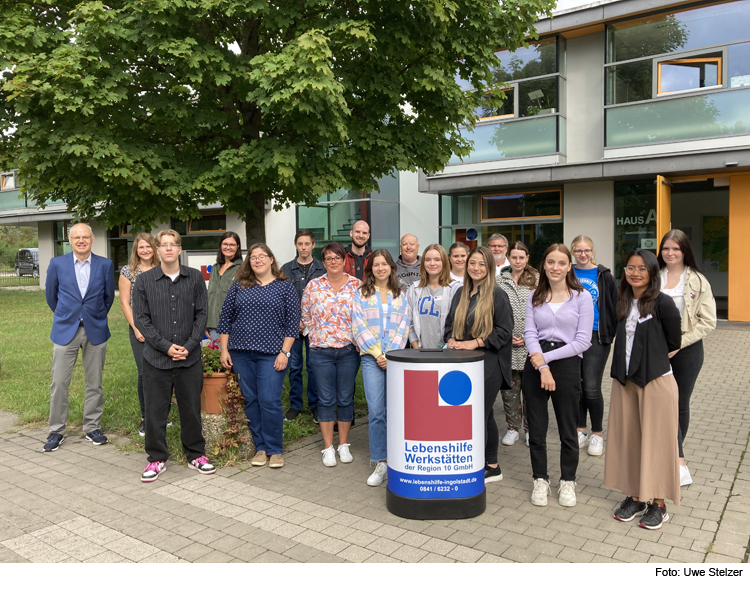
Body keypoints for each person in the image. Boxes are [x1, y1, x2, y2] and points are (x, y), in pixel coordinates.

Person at [606, 249, 682, 530]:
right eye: (629, 268)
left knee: (658, 443)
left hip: (656, 381)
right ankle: (636, 497)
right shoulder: (621, 301)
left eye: (642, 268)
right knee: (630, 439)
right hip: (625, 382)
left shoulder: (663, 303)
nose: (635, 273)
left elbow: (674, 341)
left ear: (652, 272)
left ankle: (659, 505)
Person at [133, 229, 215, 482]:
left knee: (191, 409)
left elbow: (202, 314)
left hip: (188, 358)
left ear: (180, 249)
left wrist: (190, 346)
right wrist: (165, 346)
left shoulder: (194, 279)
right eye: (164, 244)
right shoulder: (145, 281)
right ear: (157, 250)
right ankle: (156, 459)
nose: (168, 248)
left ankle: (196, 455)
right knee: (156, 411)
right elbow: (141, 319)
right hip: (156, 358)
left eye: (173, 244)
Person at [218, 244, 299, 469]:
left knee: (270, 400)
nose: (258, 260)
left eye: (262, 256)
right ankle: (260, 447)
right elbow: (225, 320)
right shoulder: (239, 286)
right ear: (248, 261)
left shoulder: (285, 287)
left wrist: (284, 352)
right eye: (253, 257)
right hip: (241, 353)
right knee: (251, 400)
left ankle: (275, 449)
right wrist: (224, 349)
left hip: (273, 354)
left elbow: (293, 324)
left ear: (271, 259)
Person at [524, 244, 593, 508]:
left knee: (567, 428)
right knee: (537, 429)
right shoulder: (535, 296)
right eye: (550, 262)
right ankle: (540, 479)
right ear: (543, 265)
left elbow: (583, 341)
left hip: (566, 363)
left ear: (569, 266)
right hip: (535, 362)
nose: (555, 268)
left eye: (561, 263)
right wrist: (540, 366)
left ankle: (568, 480)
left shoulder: (582, 297)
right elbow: (530, 333)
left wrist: (547, 360)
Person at [44, 223, 115, 451]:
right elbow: (51, 296)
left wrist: (94, 316)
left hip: (95, 329)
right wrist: (68, 315)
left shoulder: (104, 264)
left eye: (85, 237)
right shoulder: (57, 264)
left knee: (94, 383)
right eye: (77, 237)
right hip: (66, 330)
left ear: (92, 239)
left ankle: (92, 426)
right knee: (59, 383)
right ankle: (56, 430)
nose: (81, 240)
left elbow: (108, 297)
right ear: (70, 240)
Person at [445, 246, 513, 485]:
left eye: (482, 264)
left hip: (489, 364)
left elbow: (505, 331)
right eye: (472, 263)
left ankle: (489, 465)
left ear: (490, 267)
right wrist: (451, 340)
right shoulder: (460, 293)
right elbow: (449, 326)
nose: (476, 268)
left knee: (480, 416)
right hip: (462, 365)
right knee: (477, 416)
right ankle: (483, 464)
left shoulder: (497, 294)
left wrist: (476, 343)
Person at [658, 229, 716, 486]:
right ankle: (659, 452)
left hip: (686, 351)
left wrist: (678, 344)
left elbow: (708, 322)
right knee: (657, 403)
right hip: (655, 351)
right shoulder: (653, 277)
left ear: (684, 252)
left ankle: (677, 459)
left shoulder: (698, 281)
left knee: (678, 404)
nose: (670, 253)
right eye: (666, 248)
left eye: (676, 249)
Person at [352, 249, 410, 486]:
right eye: (376, 265)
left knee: (396, 410)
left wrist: (390, 354)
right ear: (370, 269)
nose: (380, 268)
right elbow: (358, 325)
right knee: (376, 411)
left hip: (395, 358)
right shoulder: (361, 294)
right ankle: (380, 461)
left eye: (384, 264)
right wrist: (378, 354)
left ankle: (398, 457)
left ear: (391, 267)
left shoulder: (400, 295)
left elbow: (404, 326)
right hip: (371, 358)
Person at [301, 242, 362, 467]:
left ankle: (343, 444)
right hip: (320, 351)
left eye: (337, 257)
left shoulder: (357, 285)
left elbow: (364, 314)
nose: (333, 262)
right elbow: (305, 312)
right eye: (328, 258)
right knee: (326, 399)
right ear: (323, 262)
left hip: (348, 351)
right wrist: (314, 333)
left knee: (345, 398)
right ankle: (328, 447)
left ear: (344, 260)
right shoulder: (314, 285)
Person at [570, 235, 618, 457]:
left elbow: (614, 305)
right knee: (576, 385)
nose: (582, 254)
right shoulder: (568, 272)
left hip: (597, 335)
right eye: (578, 250)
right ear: (572, 251)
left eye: (586, 250)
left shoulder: (603, 275)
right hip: (570, 335)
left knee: (591, 386)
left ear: (592, 251)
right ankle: (581, 430)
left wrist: (611, 331)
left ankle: (597, 433)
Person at [281, 229, 326, 423]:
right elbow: (282, 299)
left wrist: (307, 321)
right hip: (293, 327)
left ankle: (315, 406)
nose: (304, 247)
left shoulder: (322, 269)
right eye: (300, 244)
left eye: (307, 244)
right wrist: (295, 320)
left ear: (313, 245)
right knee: (295, 366)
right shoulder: (286, 269)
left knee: (314, 366)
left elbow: (324, 300)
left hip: (315, 327)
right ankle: (295, 405)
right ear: (295, 245)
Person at [497, 242, 538, 447]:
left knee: (531, 391)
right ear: (508, 257)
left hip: (531, 344)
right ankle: (513, 428)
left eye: (521, 257)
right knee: (510, 391)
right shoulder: (499, 281)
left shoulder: (537, 280)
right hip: (508, 346)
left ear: (527, 257)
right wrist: (507, 336)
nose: (518, 261)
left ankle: (531, 430)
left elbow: (544, 310)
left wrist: (527, 336)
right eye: (514, 257)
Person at [119, 233, 160, 437]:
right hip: (140, 327)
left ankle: (160, 415)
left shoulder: (162, 268)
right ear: (136, 249)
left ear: (154, 248)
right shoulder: (129, 271)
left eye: (148, 247)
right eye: (141, 247)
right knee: (145, 372)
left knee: (161, 372)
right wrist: (136, 328)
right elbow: (125, 303)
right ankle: (146, 418)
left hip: (162, 328)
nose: (145, 250)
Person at [406, 244, 460, 350]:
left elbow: (459, 323)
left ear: (444, 262)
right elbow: (409, 321)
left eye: (437, 259)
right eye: (427, 260)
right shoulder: (414, 288)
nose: (432, 263)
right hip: (421, 352)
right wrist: (416, 346)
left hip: (448, 352)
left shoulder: (455, 288)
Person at [205, 231, 243, 343]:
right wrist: (208, 322)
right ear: (220, 246)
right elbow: (210, 297)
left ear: (238, 247)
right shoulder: (215, 268)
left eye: (232, 245)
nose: (228, 247)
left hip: (235, 326)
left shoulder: (243, 269)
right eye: (225, 244)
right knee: (217, 358)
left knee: (232, 359)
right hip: (214, 326)